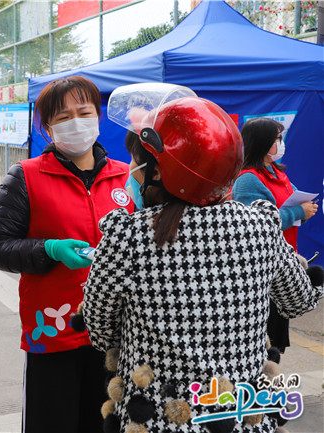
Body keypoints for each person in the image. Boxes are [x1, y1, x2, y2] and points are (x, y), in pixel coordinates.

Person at [82, 83, 323, 433]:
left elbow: (100, 328)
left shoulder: (127, 235)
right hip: (241, 416)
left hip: (156, 419)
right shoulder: (260, 225)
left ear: (159, 171)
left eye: (137, 160)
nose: (131, 169)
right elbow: (299, 299)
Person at [0, 76, 134, 433]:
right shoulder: (25, 176)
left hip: (117, 337)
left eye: (84, 112)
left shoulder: (128, 177)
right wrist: (48, 249)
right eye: (64, 117)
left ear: (98, 117)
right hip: (54, 335)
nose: (76, 123)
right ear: (47, 128)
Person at [231, 117, 318, 352]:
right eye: (277, 139)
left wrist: (305, 208)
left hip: (284, 265)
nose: (281, 143)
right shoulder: (248, 179)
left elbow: (290, 201)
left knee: (277, 343)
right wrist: (298, 212)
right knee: (263, 344)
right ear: (262, 142)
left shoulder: (276, 172)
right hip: (263, 271)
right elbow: (256, 225)